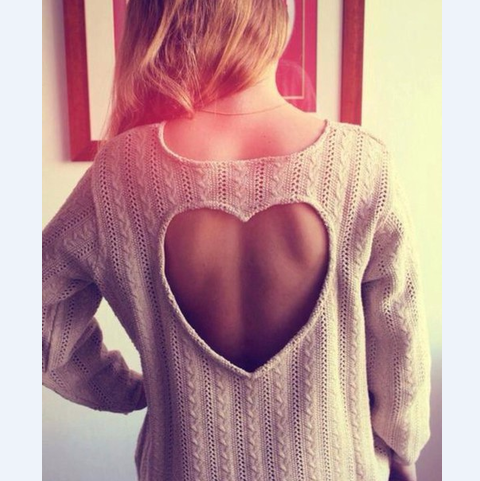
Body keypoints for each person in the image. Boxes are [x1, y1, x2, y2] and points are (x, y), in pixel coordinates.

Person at [42, 1, 431, 480]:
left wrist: (123, 389)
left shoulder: (119, 173)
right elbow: (400, 342)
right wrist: (402, 448)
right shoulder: (361, 165)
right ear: (274, 16)